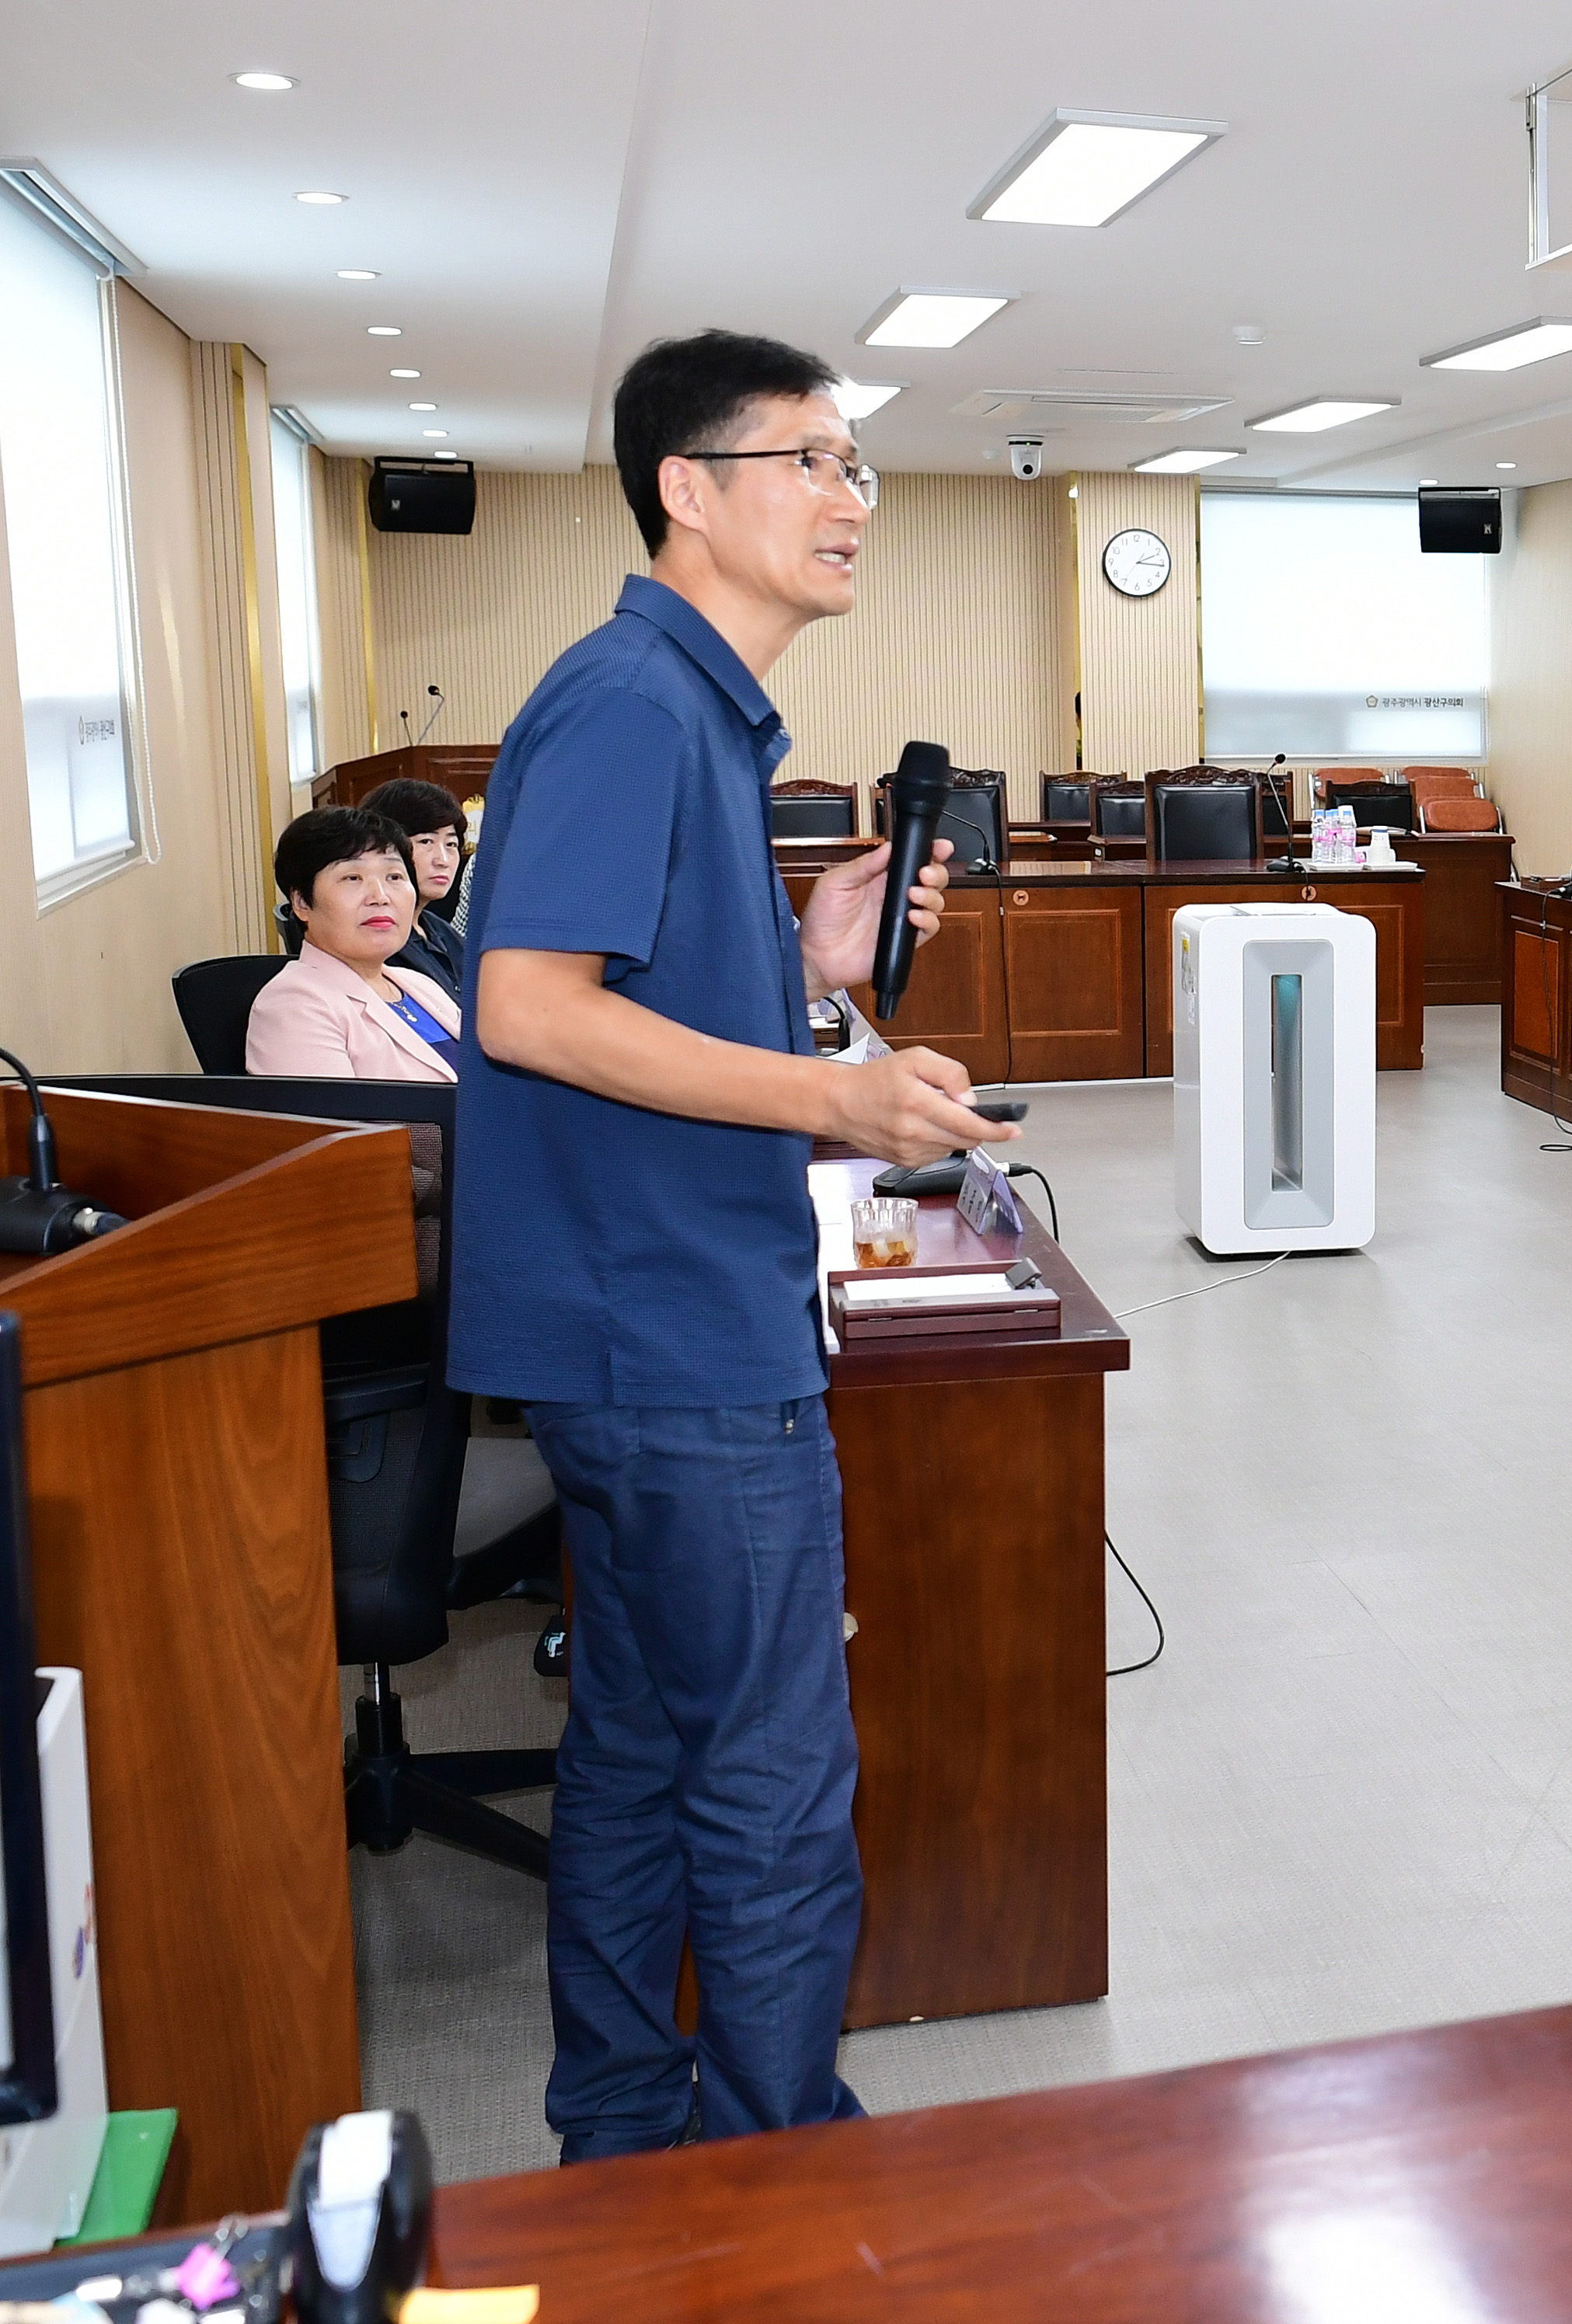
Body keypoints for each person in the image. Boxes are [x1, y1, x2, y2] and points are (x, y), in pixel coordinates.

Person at [451, 329, 1013, 2161]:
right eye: (812, 461)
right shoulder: (632, 697)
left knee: (633, 1756)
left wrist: (810, 963)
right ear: (689, 490)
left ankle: (623, 2141)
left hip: (630, 1333)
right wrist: (833, 1099)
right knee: (770, 1786)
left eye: (862, 468)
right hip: (676, 1336)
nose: (853, 499)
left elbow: (639, 985)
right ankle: (780, 2180)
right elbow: (531, 1009)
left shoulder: (685, 708)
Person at [246, 805, 460, 1080]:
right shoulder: (293, 1005)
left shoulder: (420, 985)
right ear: (301, 902)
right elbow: (335, 1122)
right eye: (352, 878)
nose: (380, 896)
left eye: (394, 877)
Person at [364, 775, 472, 1003]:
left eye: (451, 845)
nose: (443, 860)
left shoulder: (442, 931)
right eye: (426, 842)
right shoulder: (375, 942)